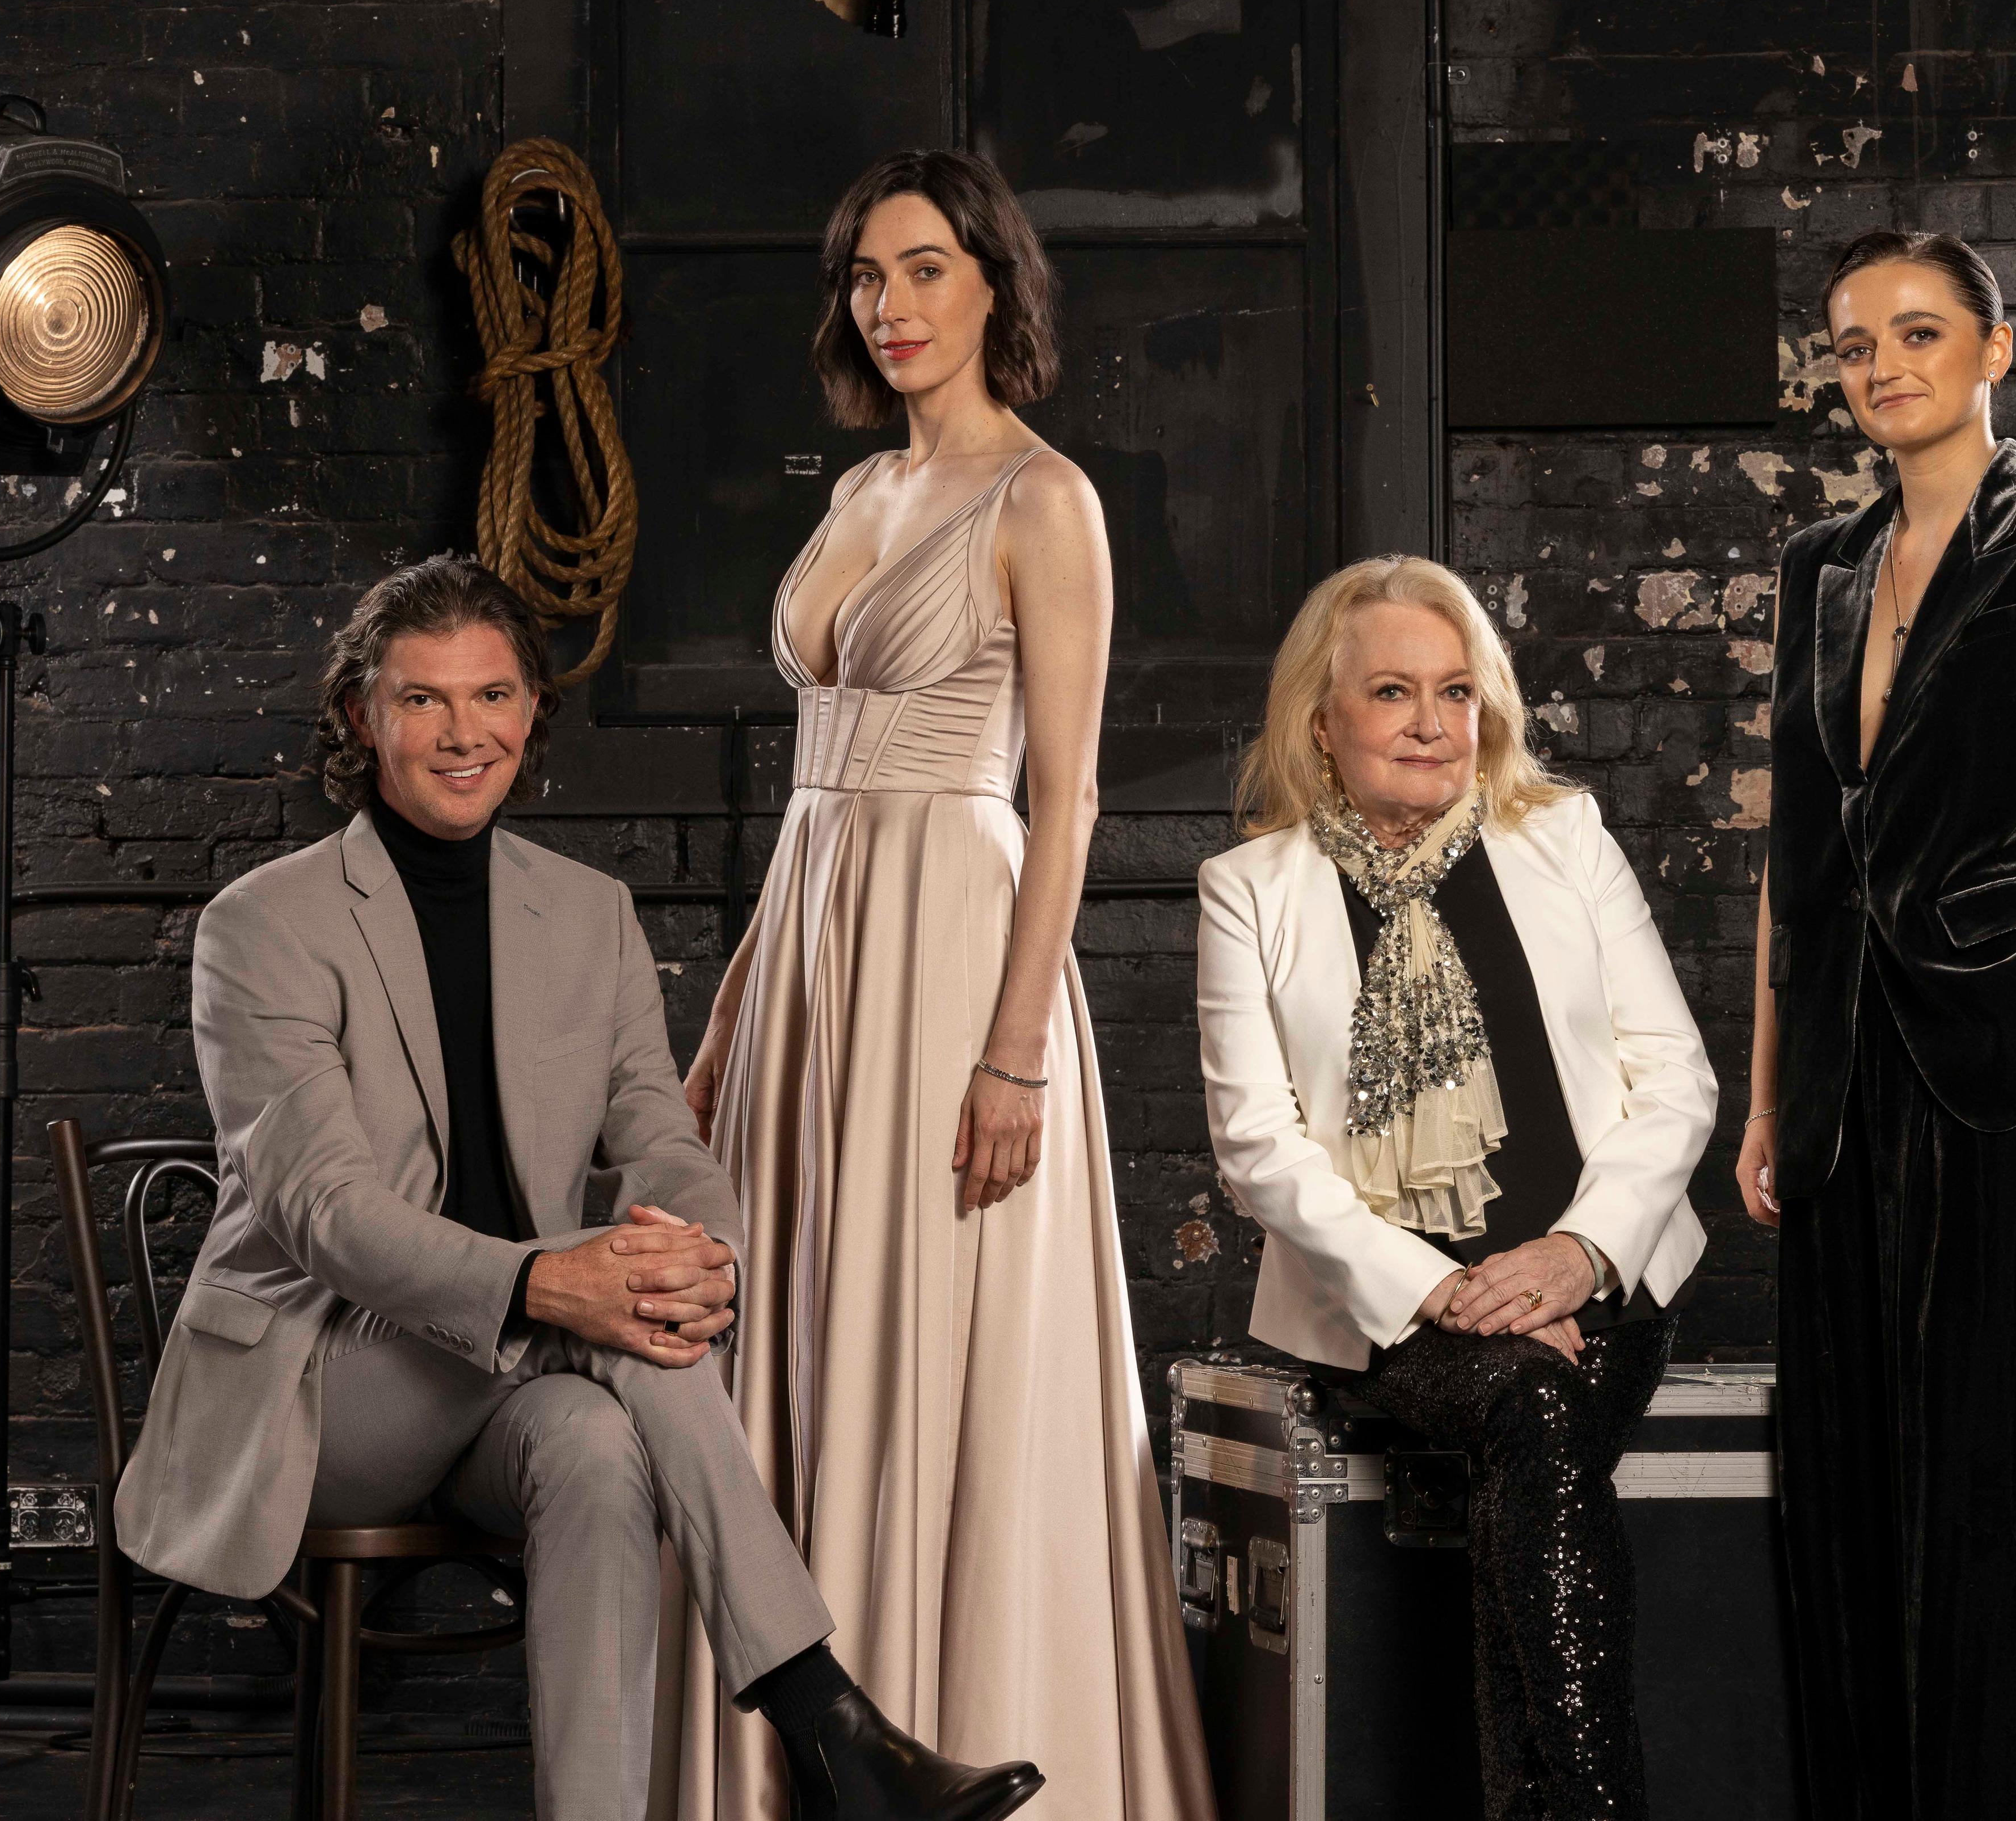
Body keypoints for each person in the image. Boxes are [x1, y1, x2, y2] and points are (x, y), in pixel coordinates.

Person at [119, 556, 1041, 1821]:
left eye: (493, 695)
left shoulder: (590, 913)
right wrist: (556, 1282)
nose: (464, 733)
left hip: (525, 1386)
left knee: (602, 1441)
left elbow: (659, 1131)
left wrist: (699, 1246)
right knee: (612, 1339)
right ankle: (830, 1721)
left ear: (530, 711)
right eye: (424, 699)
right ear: (361, 715)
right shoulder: (264, 925)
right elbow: (324, 1211)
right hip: (324, 1390)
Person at [672, 151, 1214, 1820]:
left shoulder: (1046, 501)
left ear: (996, 286)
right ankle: (822, 1751)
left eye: (923, 271)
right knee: (799, 1340)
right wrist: (728, 1015)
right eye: (864, 279)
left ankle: (980, 1720)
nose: (890, 307)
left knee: (950, 1339)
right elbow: (815, 796)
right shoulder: (856, 500)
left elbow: (1074, 801)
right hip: (817, 956)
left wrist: (1015, 1056)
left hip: (958, 956)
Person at [1740, 230, 2016, 1820]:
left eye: (1919, 333)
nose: (1883, 367)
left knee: (1992, 1492)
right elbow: (1798, 860)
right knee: (1847, 1501)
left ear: (1995, 351)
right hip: (1846, 1072)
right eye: (1856, 344)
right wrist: (1767, 1094)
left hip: (2004, 1061)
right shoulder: (1818, 568)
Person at [1195, 554, 1719, 1817]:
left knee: (1536, 1416)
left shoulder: (1563, 839)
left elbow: (1679, 1078)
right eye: (1391, 691)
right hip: (1388, 1320)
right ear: (1322, 721)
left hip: (1597, 1288)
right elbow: (1257, 1147)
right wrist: (1447, 1290)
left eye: (1455, 689)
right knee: (1530, 1413)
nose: (1433, 721)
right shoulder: (1247, 890)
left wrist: (1576, 1256)